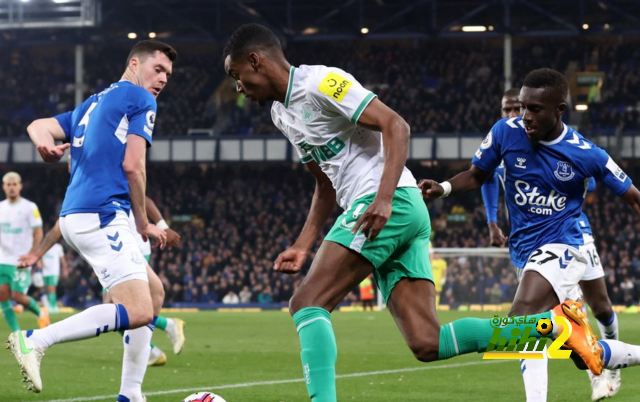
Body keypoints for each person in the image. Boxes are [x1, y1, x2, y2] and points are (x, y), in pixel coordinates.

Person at [223, 24, 606, 402]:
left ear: (255, 60)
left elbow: (396, 126)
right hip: (387, 209)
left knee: (307, 304)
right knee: (428, 341)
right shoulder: (281, 114)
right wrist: (303, 245)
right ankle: (550, 327)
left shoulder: (321, 83)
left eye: (236, 75)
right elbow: (325, 182)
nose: (237, 87)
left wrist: (384, 199)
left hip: (385, 203)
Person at [420, 68, 640, 394]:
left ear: (559, 110)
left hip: (564, 244)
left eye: (534, 109)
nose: (524, 116)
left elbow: (634, 197)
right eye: (522, 107)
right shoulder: (505, 132)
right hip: (524, 250)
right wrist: (444, 188)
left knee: (519, 319)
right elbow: (478, 174)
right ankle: (580, 337)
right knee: (566, 346)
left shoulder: (587, 153)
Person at [7, 40, 175, 401]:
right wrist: (145, 223)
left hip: (75, 215)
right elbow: (134, 166)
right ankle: (35, 339)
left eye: (167, 75)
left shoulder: (93, 103)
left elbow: (38, 125)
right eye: (157, 69)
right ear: (134, 63)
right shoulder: (142, 99)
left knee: (154, 292)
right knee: (140, 308)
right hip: (102, 213)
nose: (162, 79)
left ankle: (131, 393)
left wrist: (44, 146)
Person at [481, 87, 620, 401]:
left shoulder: (560, 143)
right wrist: (492, 221)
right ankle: (596, 375)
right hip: (530, 244)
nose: (512, 115)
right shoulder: (505, 142)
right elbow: (485, 177)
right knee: (550, 321)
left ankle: (609, 368)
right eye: (507, 110)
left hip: (571, 236)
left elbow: (592, 176)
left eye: (518, 108)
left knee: (598, 307)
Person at [18, 196, 186, 368]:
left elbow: (142, 194)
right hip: (114, 247)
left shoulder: (103, 174)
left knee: (120, 307)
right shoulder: (80, 186)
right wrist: (36, 255)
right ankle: (155, 346)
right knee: (127, 306)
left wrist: (161, 226)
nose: (69, 166)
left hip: (129, 245)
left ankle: (40, 339)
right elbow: (58, 228)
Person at [0, 172, 48, 332]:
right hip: (2, 259)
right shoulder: (1, 207)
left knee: (17, 296)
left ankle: (41, 313)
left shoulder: (29, 207)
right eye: (8, 185)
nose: (12, 188)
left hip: (21, 260)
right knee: (3, 296)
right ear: (4, 187)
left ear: (20, 186)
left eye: (14, 184)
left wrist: (33, 254)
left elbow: (38, 232)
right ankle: (16, 332)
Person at [40, 238, 67, 314]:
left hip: (54, 271)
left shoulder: (58, 247)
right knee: (48, 288)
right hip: (45, 271)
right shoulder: (44, 246)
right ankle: (51, 305)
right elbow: (40, 256)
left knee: (52, 288)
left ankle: (53, 306)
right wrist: (40, 264)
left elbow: (62, 259)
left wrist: (64, 269)